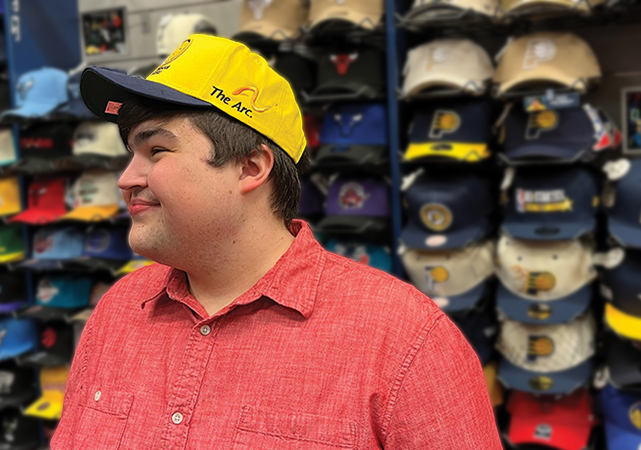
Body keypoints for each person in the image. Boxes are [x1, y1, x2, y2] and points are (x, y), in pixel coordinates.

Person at [52, 34, 501, 449]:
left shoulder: (404, 340)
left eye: (157, 151)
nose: (126, 179)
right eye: (131, 152)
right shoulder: (118, 311)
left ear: (250, 167)